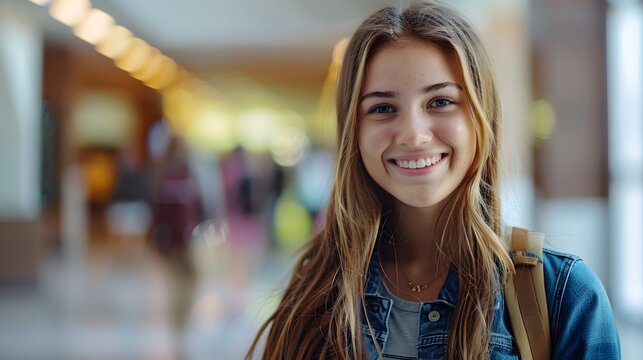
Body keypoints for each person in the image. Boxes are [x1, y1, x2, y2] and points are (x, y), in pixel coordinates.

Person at [247, 1, 621, 359]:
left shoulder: (564, 295)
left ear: (480, 117)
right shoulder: (315, 290)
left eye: (440, 102)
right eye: (382, 108)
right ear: (353, 133)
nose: (413, 134)